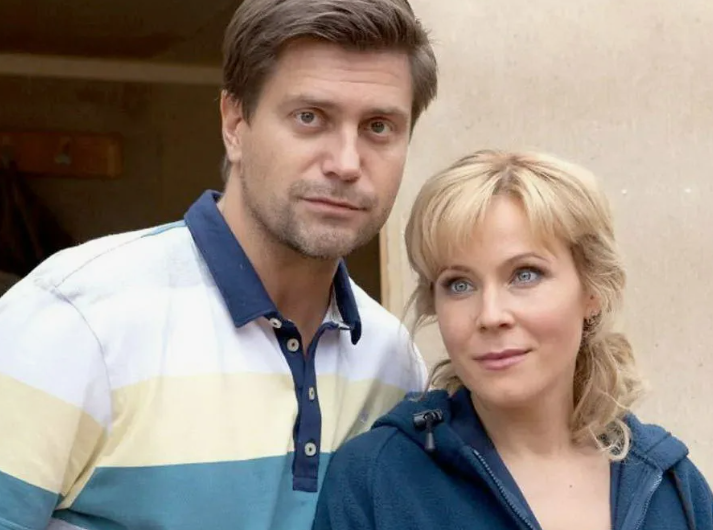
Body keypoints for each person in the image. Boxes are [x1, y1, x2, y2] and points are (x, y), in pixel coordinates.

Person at [0, 1, 437, 529]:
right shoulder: (73, 322)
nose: (346, 163)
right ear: (234, 123)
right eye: (309, 117)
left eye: (379, 126)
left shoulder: (393, 361)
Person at [313, 150, 713, 530]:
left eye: (525, 275)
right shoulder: (375, 480)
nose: (491, 315)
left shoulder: (674, 489)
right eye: (459, 284)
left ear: (592, 289)